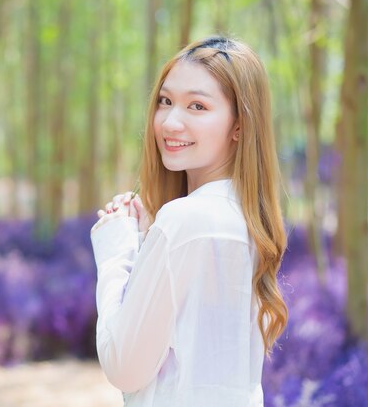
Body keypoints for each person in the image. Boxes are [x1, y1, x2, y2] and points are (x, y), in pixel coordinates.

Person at [89, 36, 288, 407]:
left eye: (197, 105)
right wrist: (150, 239)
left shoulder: (185, 221)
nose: (170, 121)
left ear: (240, 125)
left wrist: (118, 253)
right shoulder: (244, 220)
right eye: (165, 101)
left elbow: (124, 367)